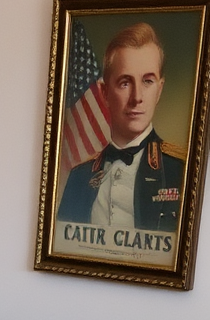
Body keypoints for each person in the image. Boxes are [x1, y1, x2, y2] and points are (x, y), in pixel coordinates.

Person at [58, 22, 185, 232]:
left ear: (160, 90)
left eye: (147, 81)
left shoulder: (179, 171)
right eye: (125, 83)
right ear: (104, 92)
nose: (137, 98)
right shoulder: (79, 177)